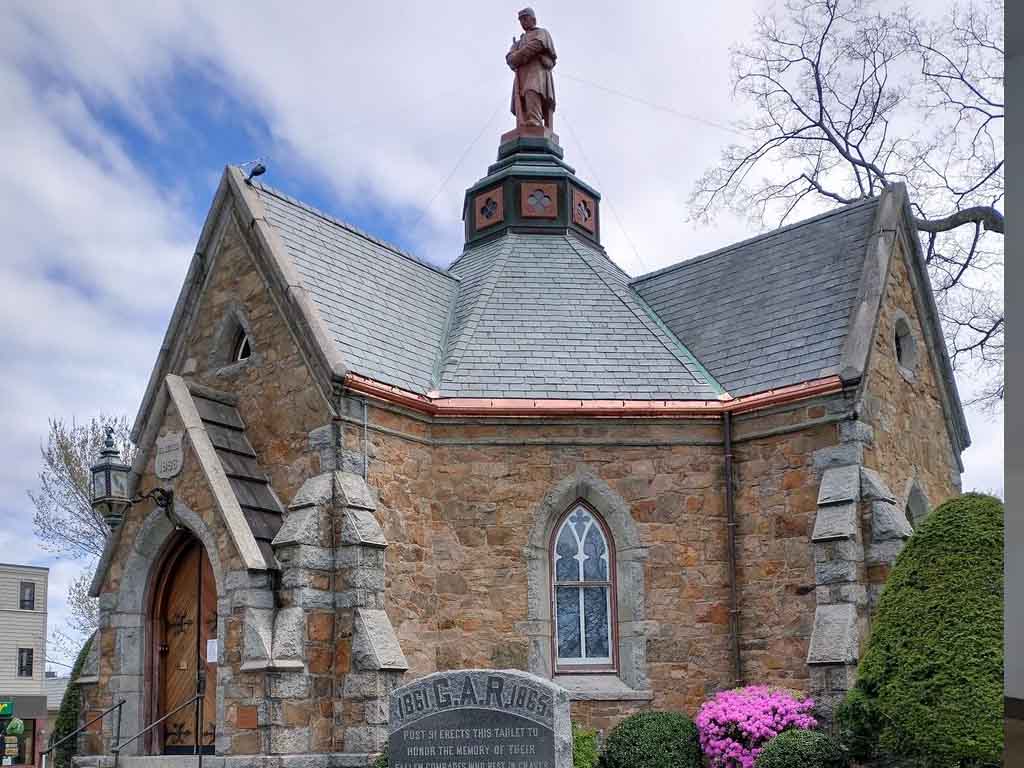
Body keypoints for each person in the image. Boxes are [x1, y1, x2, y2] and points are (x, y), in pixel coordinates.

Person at [506, 7, 556, 130]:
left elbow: (535, 46)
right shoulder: (518, 42)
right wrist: (516, 55)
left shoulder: (541, 33)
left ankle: (535, 120)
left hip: (537, 72)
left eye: (525, 19)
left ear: (533, 19)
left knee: (531, 90)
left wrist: (517, 55)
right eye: (521, 20)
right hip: (522, 75)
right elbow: (509, 59)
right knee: (521, 97)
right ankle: (525, 122)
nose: (523, 22)